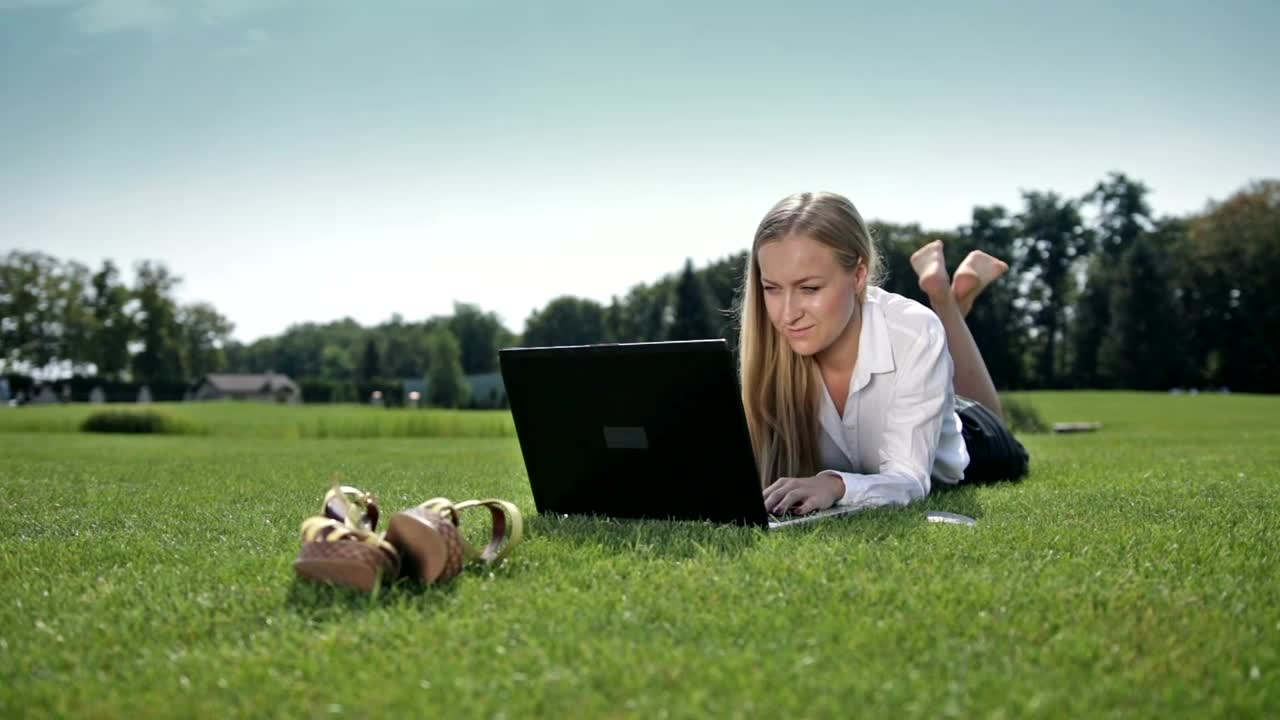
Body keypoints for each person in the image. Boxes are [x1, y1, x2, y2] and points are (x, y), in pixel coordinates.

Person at [742, 191, 1030, 517]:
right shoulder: (771, 352)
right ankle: (951, 300)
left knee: (990, 416)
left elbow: (909, 479)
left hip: (972, 441)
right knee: (933, 353)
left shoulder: (913, 331)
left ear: (858, 275)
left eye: (809, 289)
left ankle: (945, 301)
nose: (787, 314)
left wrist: (834, 484)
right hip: (917, 384)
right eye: (772, 289)